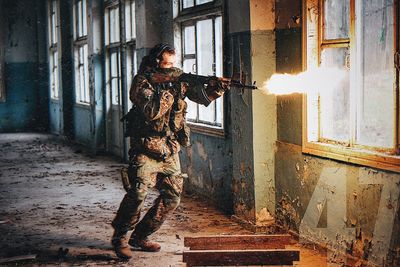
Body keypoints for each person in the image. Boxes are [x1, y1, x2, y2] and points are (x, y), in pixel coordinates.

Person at [111, 43, 229, 260]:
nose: (172, 70)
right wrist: (170, 89)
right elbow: (152, 112)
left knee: (172, 197)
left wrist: (216, 87)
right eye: (167, 66)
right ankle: (120, 237)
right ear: (156, 64)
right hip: (145, 148)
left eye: (174, 66)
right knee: (138, 193)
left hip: (169, 149)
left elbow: (203, 97)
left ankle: (141, 236)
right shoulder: (141, 82)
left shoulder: (177, 81)